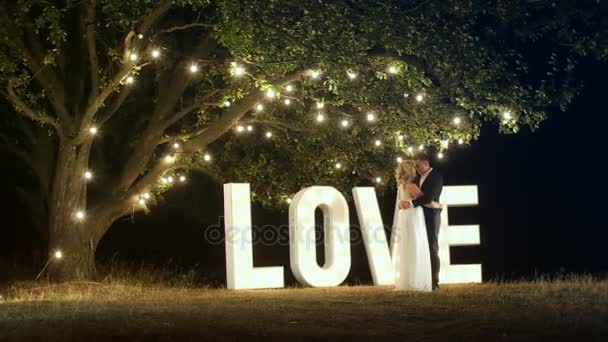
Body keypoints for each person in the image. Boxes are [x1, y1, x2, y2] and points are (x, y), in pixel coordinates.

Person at [391, 160, 438, 292]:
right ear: (410, 172)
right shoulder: (411, 186)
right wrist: (438, 205)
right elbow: (424, 200)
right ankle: (416, 280)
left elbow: (401, 203)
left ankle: (406, 281)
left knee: (406, 246)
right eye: (414, 168)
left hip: (404, 216)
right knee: (416, 245)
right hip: (413, 216)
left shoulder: (400, 187)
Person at [399, 153, 444, 291]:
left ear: (425, 163)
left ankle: (434, 282)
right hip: (418, 217)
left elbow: (428, 197)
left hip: (431, 216)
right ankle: (421, 278)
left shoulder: (436, 176)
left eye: (418, 165)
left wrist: (410, 203)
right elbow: (421, 197)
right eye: (415, 166)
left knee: (432, 247)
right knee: (419, 248)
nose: (416, 169)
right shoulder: (417, 179)